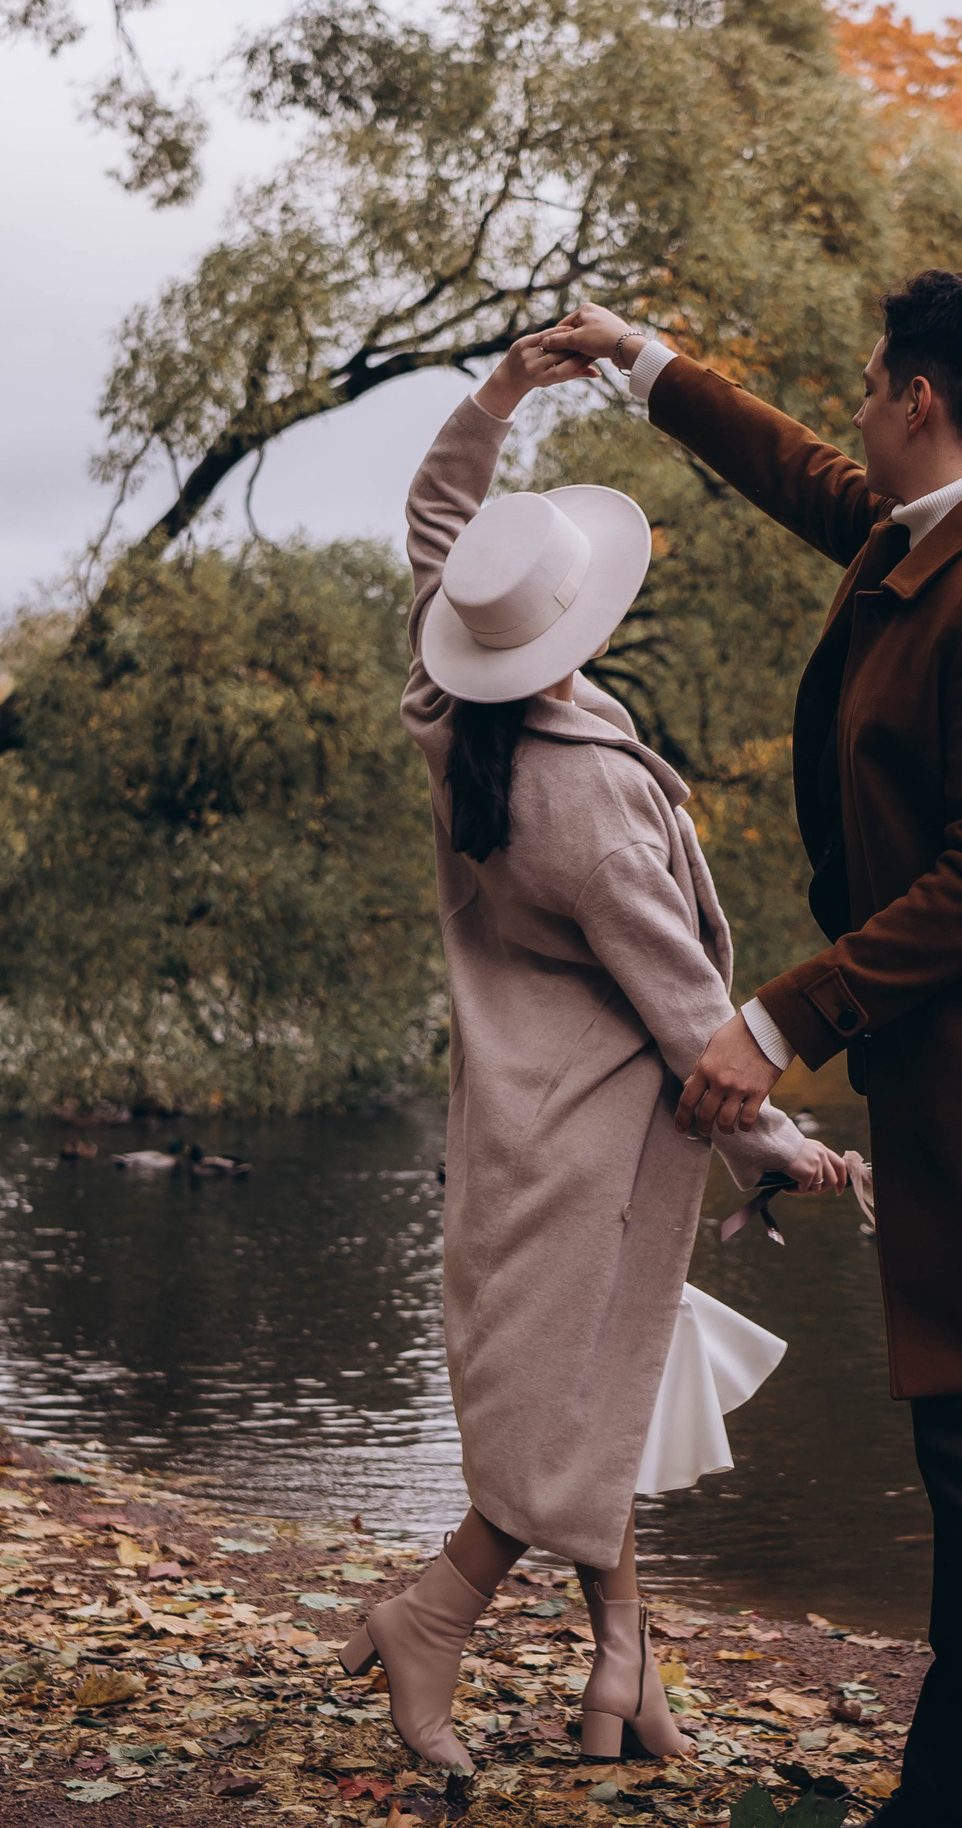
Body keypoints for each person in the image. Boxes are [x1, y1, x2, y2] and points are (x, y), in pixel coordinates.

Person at [543, 273, 962, 1828]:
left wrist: (775, 1019)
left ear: (922, 401)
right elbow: (805, 473)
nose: (858, 403)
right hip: (954, 1062)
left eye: (873, 380)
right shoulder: (928, 527)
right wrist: (648, 365)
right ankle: (952, 1799)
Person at [342, 329, 848, 1775]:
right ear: (583, 622)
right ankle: (431, 1618)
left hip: (518, 1115)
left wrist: (501, 392)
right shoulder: (588, 805)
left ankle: (623, 1672)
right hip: (603, 1142)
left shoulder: (457, 711)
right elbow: (689, 1006)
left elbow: (438, 524)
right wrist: (782, 1147)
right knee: (574, 1413)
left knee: (602, 1391)